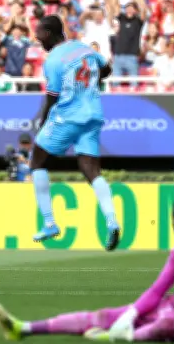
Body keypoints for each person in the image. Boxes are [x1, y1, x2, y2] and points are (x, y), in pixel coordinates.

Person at [0, 205, 174, 344]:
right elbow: (157, 290)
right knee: (105, 315)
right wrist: (131, 313)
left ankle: (122, 336)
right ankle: (24, 328)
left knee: (168, 322)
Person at [30, 15, 119, 251]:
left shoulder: (53, 60)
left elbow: (52, 98)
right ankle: (112, 220)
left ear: (49, 34)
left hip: (69, 116)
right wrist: (90, 81)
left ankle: (49, 223)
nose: (39, 40)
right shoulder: (83, 48)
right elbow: (106, 69)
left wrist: (42, 123)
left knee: (37, 161)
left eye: (40, 36)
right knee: (91, 169)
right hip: (94, 114)